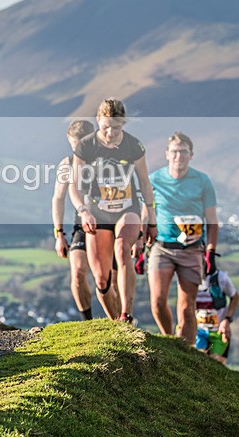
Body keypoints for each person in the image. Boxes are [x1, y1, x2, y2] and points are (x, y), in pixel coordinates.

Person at [69, 99, 157, 323]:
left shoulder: (133, 146)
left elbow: (145, 184)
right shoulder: (86, 146)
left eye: (116, 127)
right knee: (101, 279)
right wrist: (83, 212)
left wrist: (152, 221)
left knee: (121, 247)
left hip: (127, 209)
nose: (110, 132)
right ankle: (116, 322)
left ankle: (127, 313)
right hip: (97, 212)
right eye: (106, 126)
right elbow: (75, 186)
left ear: (123, 125)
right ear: (98, 121)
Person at [149, 132, 219, 344]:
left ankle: (185, 350)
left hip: (192, 249)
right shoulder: (154, 179)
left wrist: (210, 252)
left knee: (187, 308)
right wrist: (140, 241)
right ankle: (169, 339)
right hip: (162, 247)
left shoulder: (202, 181)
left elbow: (212, 219)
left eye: (183, 152)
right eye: (175, 151)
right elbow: (145, 213)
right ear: (167, 154)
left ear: (191, 155)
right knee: (157, 301)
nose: (178, 156)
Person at [52, 120, 121, 319]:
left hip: (111, 224)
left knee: (111, 280)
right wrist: (59, 234)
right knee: (78, 271)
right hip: (83, 224)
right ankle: (87, 321)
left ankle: (118, 323)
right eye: (75, 147)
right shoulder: (67, 164)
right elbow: (58, 198)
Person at [196, 266, 239, 364]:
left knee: (216, 365)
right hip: (197, 330)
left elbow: (235, 297)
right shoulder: (188, 276)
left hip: (219, 331)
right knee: (197, 362)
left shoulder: (221, 278)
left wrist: (227, 319)